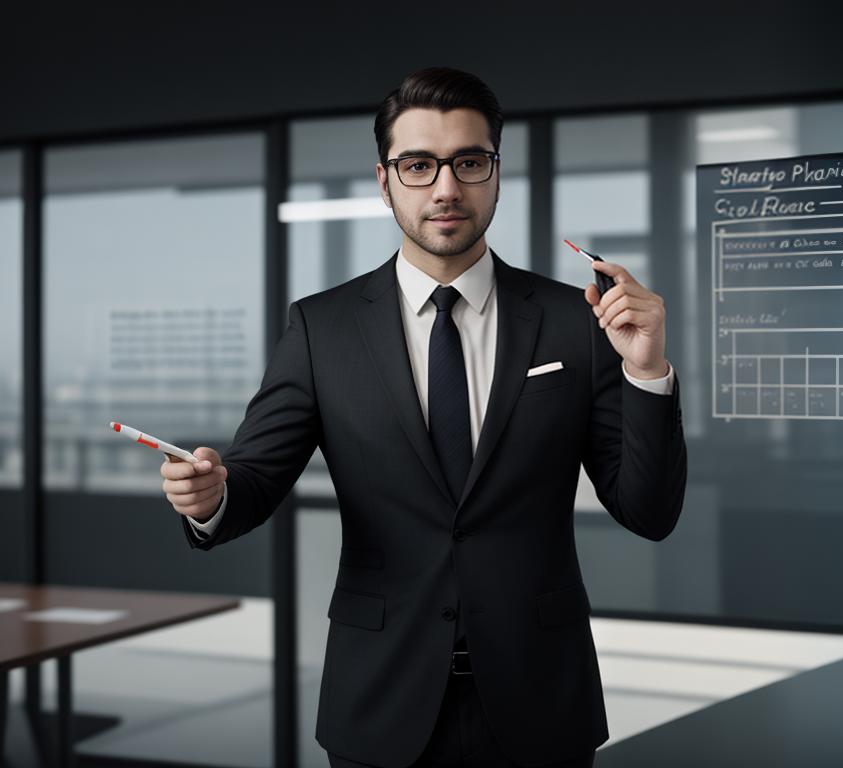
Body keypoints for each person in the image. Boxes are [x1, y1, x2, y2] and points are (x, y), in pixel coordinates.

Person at [159, 66, 687, 768]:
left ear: (496, 172)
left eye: (469, 162)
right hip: (379, 700)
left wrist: (646, 369)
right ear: (385, 181)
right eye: (419, 165)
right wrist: (210, 496)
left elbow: (648, 511)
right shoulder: (323, 328)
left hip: (541, 701)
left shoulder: (575, 321)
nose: (446, 187)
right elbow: (253, 479)